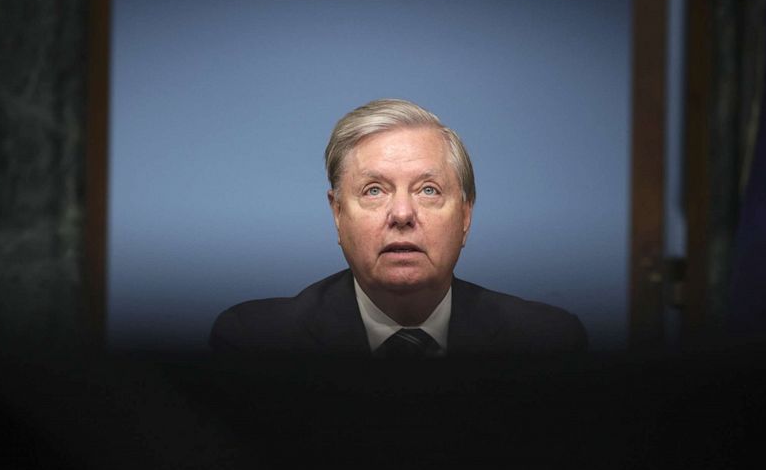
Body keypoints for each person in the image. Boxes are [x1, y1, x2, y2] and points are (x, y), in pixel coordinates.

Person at [210, 99, 587, 357]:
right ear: (337, 214)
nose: (403, 213)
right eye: (374, 190)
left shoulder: (545, 342)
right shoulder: (256, 341)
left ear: (466, 216)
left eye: (428, 190)